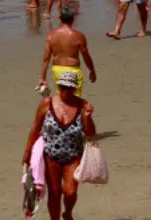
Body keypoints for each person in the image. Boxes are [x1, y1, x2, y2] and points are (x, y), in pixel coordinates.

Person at [22, 69, 96, 220]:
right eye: (63, 87)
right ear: (58, 86)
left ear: (75, 88)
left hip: (73, 156)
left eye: (69, 88)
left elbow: (90, 133)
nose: (66, 91)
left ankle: (67, 213)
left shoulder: (82, 105)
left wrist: (88, 117)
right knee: (54, 193)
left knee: (70, 192)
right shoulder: (47, 103)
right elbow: (35, 129)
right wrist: (27, 154)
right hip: (51, 157)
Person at [39, 6, 96, 97]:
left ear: (59, 17)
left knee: (61, 98)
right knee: (75, 100)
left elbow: (46, 59)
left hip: (57, 70)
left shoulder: (51, 35)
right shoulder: (78, 36)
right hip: (73, 70)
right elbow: (86, 56)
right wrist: (92, 70)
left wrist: (42, 77)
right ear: (73, 18)